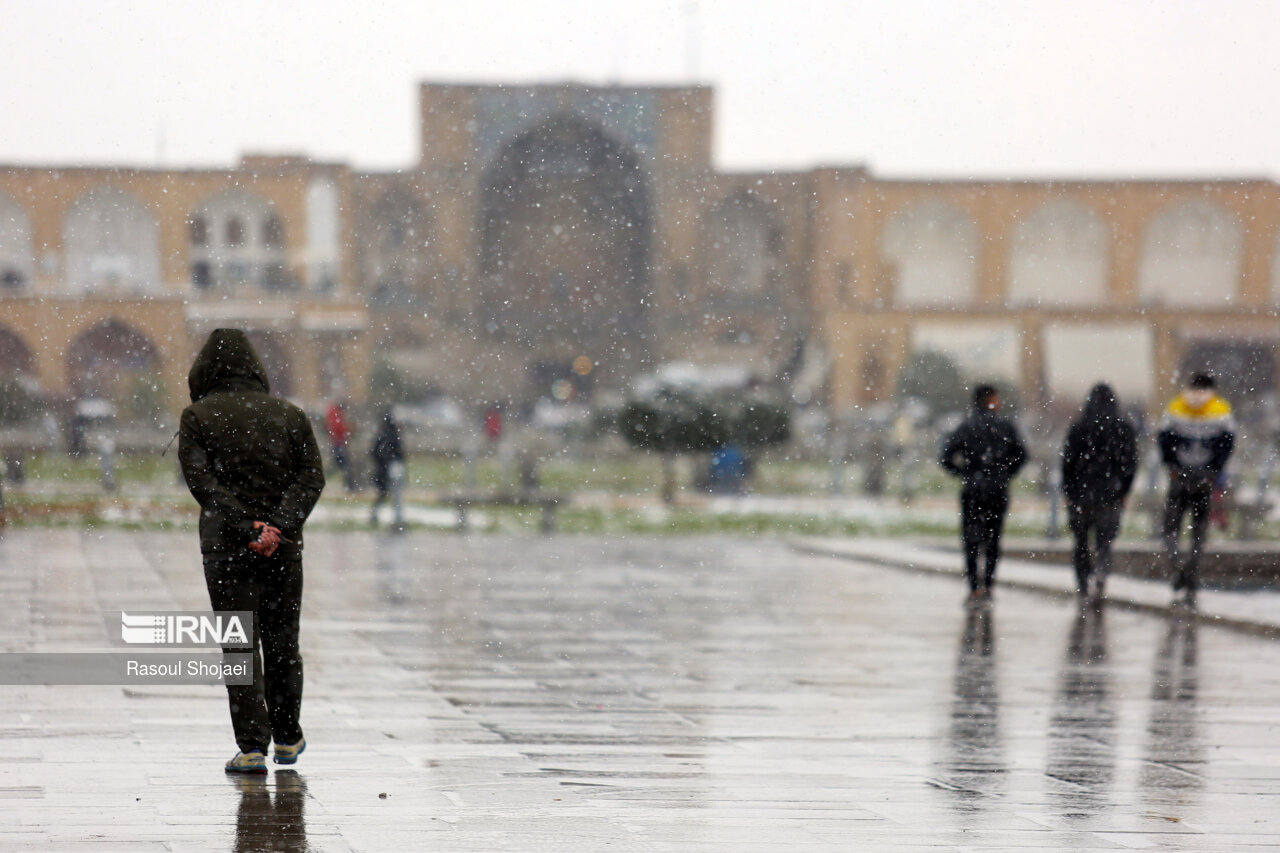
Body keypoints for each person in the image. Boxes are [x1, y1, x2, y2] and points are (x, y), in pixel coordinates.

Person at [178, 329, 326, 774]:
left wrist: (246, 528)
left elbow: (204, 483)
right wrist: (277, 527)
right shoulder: (290, 416)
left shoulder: (198, 417)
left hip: (226, 551)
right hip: (283, 550)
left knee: (240, 647)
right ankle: (287, 735)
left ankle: (251, 747)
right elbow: (311, 478)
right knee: (283, 642)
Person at [940, 384, 1027, 606]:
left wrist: (964, 473)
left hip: (973, 489)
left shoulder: (966, 426)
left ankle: (973, 587)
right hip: (997, 488)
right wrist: (1005, 472)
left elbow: (946, 456)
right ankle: (988, 585)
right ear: (991, 400)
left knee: (971, 539)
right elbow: (1022, 455)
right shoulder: (1005, 426)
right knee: (993, 538)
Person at [1157, 373, 1235, 604]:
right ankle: (1192, 575)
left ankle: (1177, 566)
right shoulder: (1220, 410)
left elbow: (1163, 440)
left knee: (1170, 528)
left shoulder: (1176, 407)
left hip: (1178, 478)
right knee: (1199, 531)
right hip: (1205, 479)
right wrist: (1214, 469)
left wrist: (1172, 466)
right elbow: (1227, 443)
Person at [1061, 383, 1138, 601]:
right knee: (1105, 541)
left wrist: (1069, 490)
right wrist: (1124, 490)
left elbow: (1067, 462)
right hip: (1110, 494)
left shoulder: (1079, 427)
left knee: (1081, 541)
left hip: (1081, 494)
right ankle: (1101, 576)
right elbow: (1130, 463)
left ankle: (1083, 583)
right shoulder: (1123, 428)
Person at [369, 407, 405, 526]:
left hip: (383, 471)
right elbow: (399, 454)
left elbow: (375, 452)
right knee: (395, 496)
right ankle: (397, 520)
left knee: (384, 494)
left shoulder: (382, 434)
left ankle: (376, 516)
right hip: (390, 470)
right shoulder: (393, 435)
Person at [325, 400, 354, 492]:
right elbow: (339, 428)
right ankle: (349, 486)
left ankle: (348, 486)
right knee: (344, 465)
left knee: (340, 465)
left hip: (336, 443)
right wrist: (348, 429)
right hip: (338, 444)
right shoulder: (336, 415)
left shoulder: (332, 413)